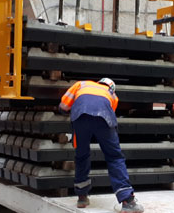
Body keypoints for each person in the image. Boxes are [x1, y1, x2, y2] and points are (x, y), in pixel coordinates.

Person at [59, 78, 144, 213]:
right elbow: (110, 117)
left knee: (82, 156)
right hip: (104, 117)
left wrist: (67, 112)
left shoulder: (81, 84)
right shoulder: (112, 95)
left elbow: (63, 106)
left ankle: (82, 197)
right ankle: (128, 202)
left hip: (80, 117)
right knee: (114, 157)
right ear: (111, 87)